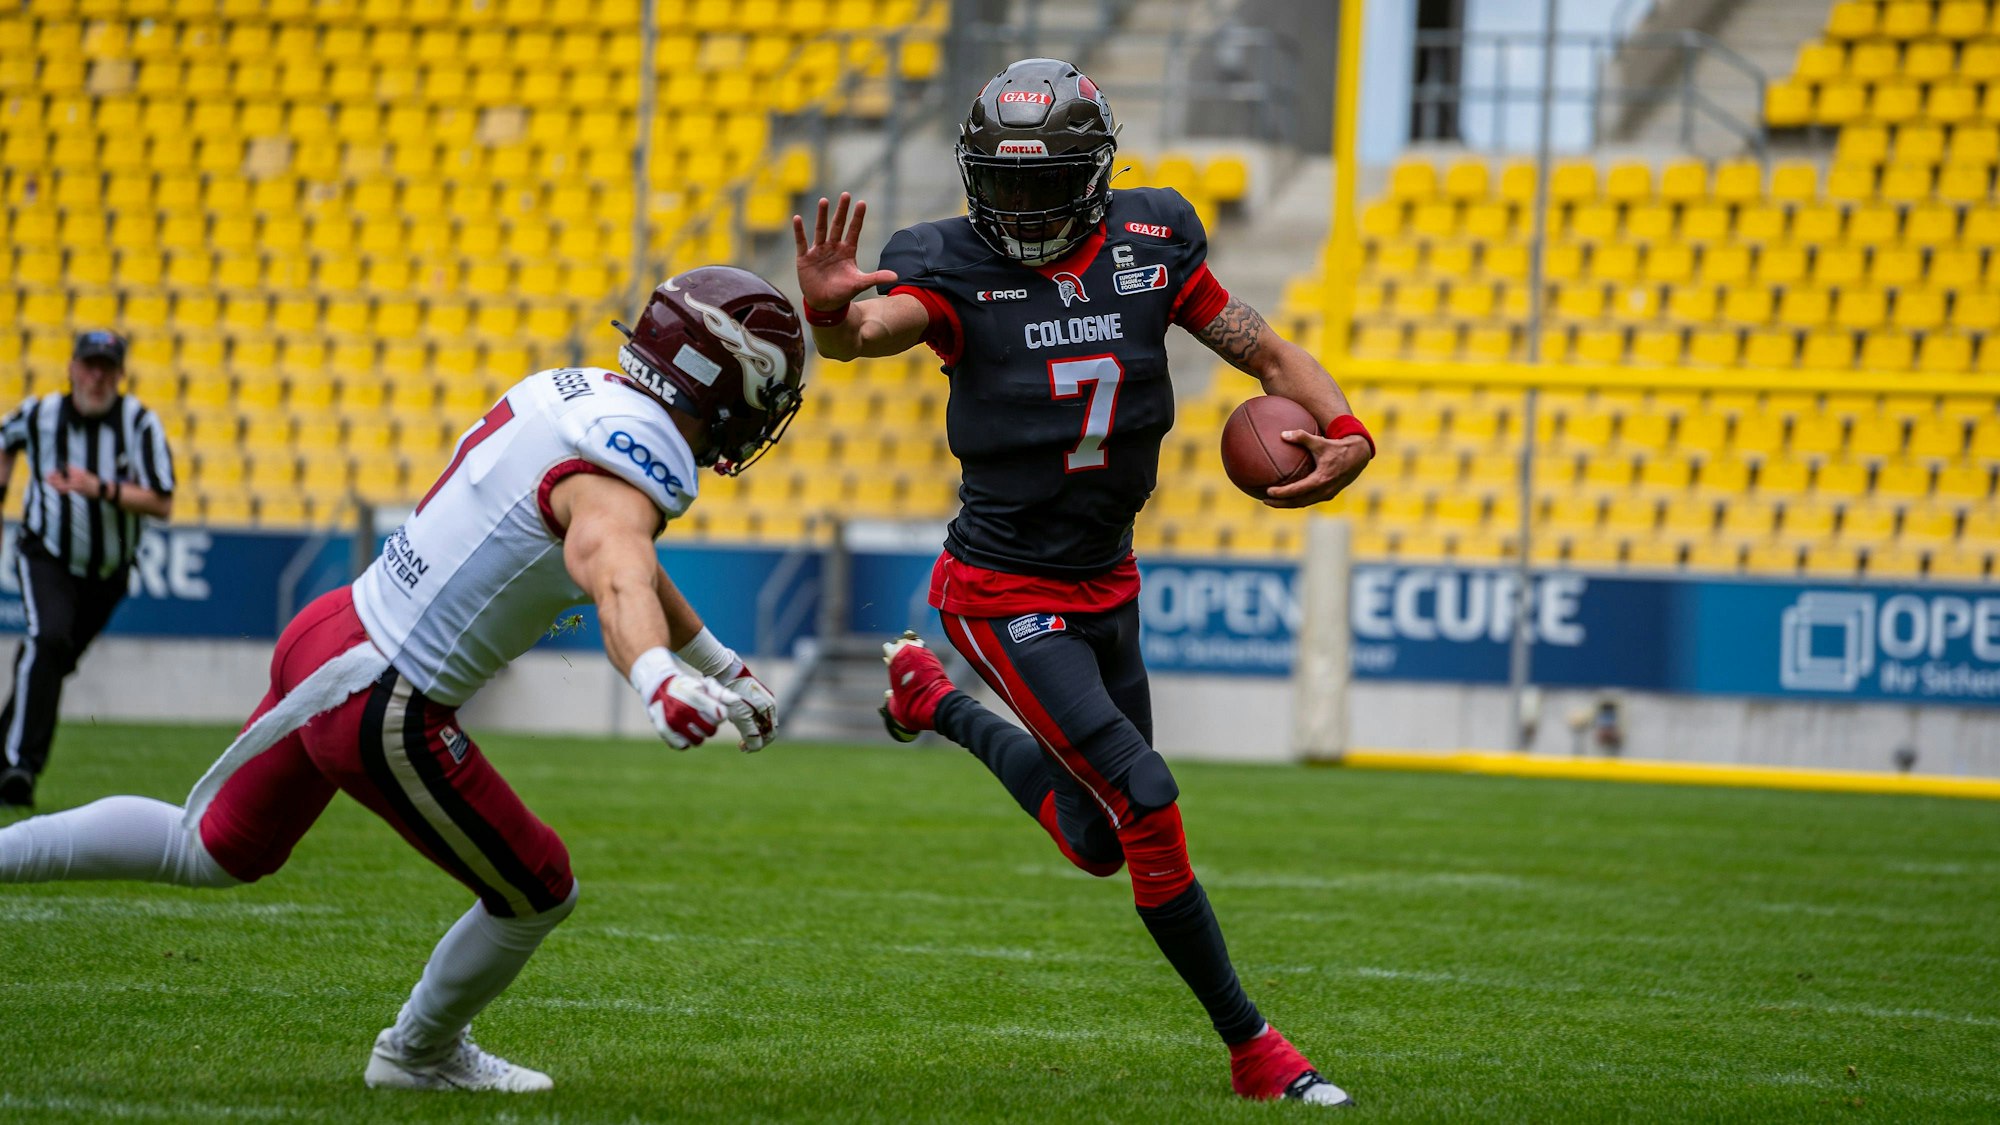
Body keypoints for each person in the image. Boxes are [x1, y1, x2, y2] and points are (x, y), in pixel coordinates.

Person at [0, 267, 806, 1092]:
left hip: (329, 631)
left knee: (208, 845)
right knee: (539, 889)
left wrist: (715, 663)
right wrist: (654, 676)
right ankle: (416, 1052)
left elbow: (620, 552)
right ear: (724, 378)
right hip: (386, 701)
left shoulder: (582, 393)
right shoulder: (634, 463)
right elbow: (615, 569)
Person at [793, 59, 1373, 1106]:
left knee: (1100, 843)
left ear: (1095, 172)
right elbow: (869, 334)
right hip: (1000, 593)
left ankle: (929, 702)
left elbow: (1265, 350)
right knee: (1146, 796)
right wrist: (832, 318)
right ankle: (1254, 1049)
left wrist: (1346, 429)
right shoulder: (946, 264)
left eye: (1041, 181)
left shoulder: (1151, 243)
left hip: (1107, 577)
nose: (1018, 207)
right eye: (1001, 184)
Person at [0, 330, 176, 808]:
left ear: (119, 375)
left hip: (109, 574)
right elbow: (4, 439)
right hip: (46, 555)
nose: (96, 377)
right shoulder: (40, 414)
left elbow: (162, 502)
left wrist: (101, 488)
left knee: (50, 659)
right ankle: (21, 767)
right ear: (73, 368)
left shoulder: (139, 424)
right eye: (89, 365)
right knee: (49, 640)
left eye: (106, 368)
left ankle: (6, 754)